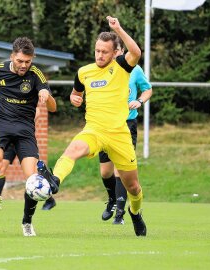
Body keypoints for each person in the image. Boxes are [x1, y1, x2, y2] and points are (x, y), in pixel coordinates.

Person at [38, 16, 147, 236]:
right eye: (97, 50)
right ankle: (54, 182)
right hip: (94, 130)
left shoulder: (122, 67)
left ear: (115, 52)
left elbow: (135, 52)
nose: (99, 55)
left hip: (119, 134)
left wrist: (119, 28)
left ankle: (135, 213)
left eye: (104, 51)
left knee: (133, 187)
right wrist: (73, 98)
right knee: (73, 149)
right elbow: (75, 93)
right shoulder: (83, 72)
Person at [0, 36, 57, 236]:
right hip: (0, 123)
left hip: (24, 130)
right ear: (12, 56)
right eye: (20, 61)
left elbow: (53, 108)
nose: (23, 66)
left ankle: (27, 222)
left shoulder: (36, 75)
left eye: (28, 62)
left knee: (32, 178)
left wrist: (47, 97)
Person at [99, 37, 152, 225]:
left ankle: (120, 214)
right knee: (106, 171)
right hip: (105, 125)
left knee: (120, 170)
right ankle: (112, 200)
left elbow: (147, 90)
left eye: (122, 51)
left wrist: (139, 101)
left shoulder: (135, 70)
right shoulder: (104, 70)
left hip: (126, 124)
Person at [0, 143, 56, 210]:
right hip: (8, 142)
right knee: (1, 170)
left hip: (21, 139)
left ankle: (50, 200)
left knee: (32, 174)